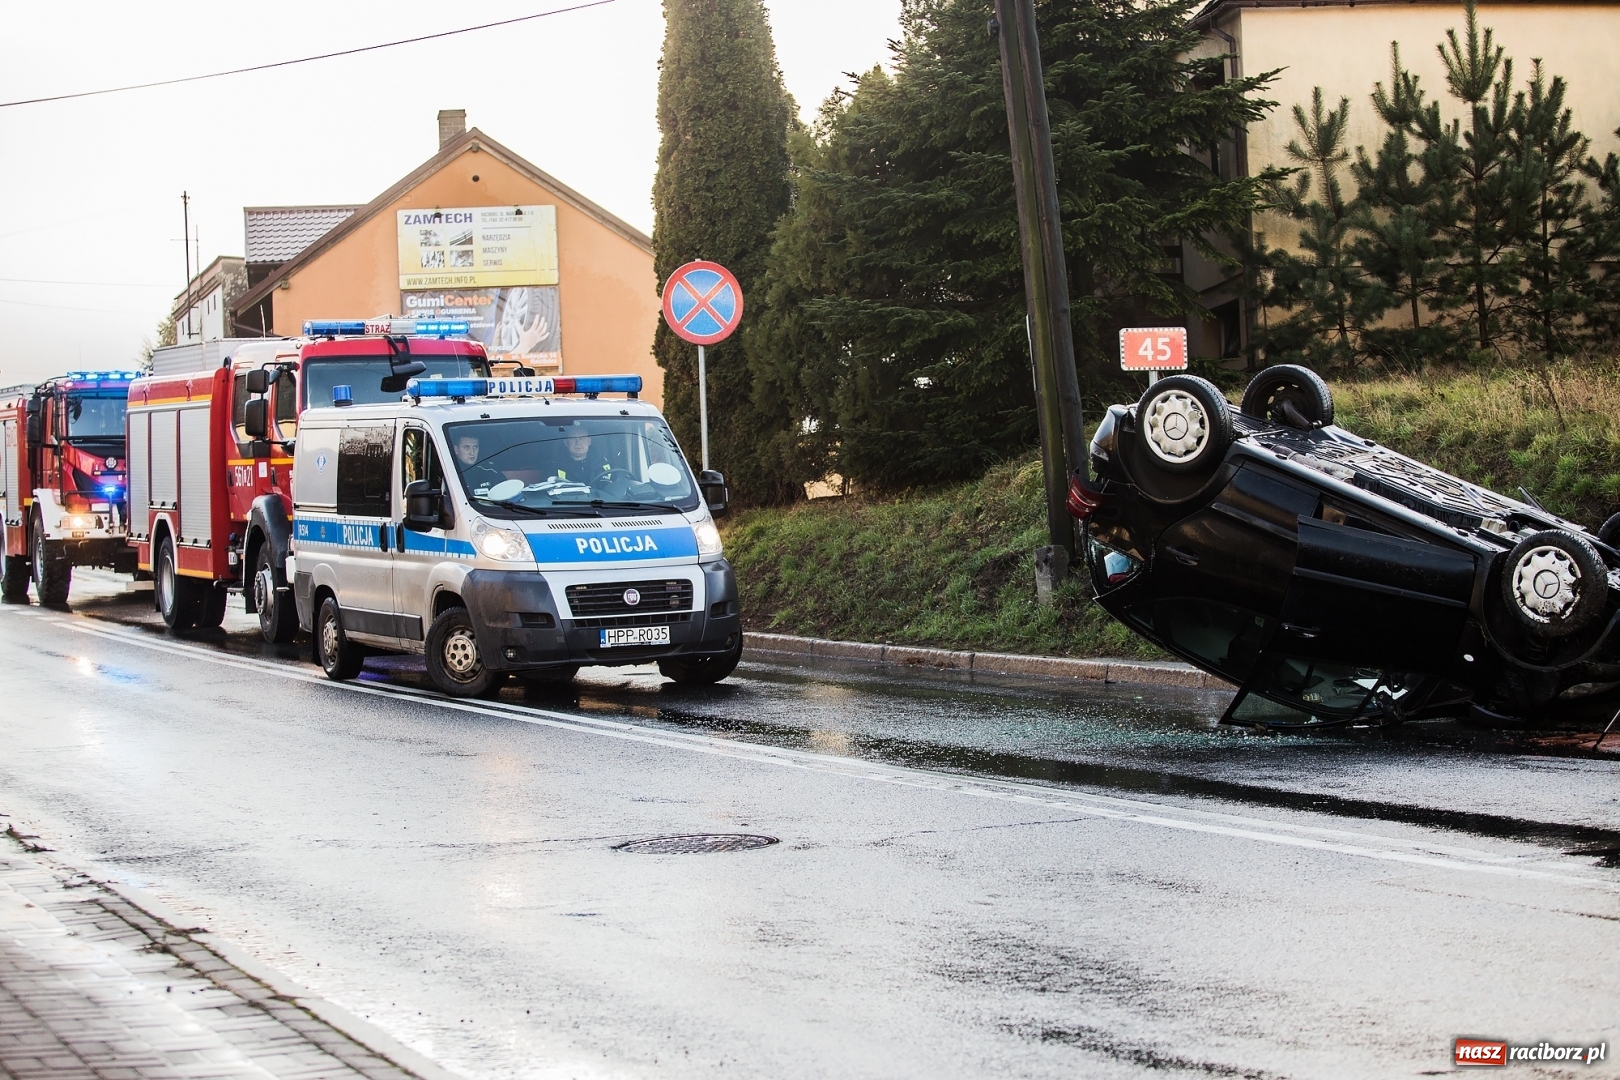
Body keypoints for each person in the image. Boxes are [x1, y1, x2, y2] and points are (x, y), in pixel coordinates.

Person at [548, 423, 614, 486]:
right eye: (573, 438)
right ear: (566, 443)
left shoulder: (604, 464)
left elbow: (616, 490)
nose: (578, 442)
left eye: (582, 438)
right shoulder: (554, 466)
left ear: (589, 441)